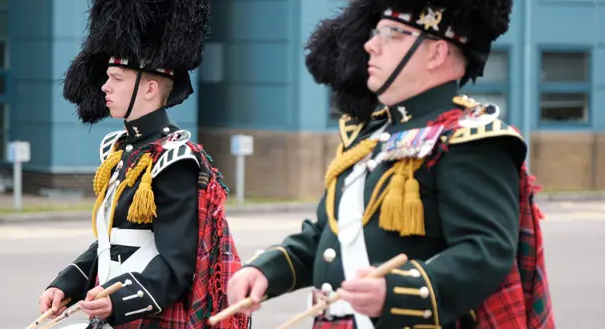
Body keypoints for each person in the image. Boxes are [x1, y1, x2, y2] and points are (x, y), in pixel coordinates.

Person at [226, 0, 555, 328]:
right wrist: (266, 270)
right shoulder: (368, 133)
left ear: (437, 53)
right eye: (376, 32)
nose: (371, 45)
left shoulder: (468, 138)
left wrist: (399, 291)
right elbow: (332, 235)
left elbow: (486, 251)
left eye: (391, 34)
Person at [38, 1, 250, 328]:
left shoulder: (175, 159)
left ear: (150, 88)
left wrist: (117, 303)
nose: (105, 87)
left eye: (116, 78)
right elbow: (117, 243)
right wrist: (68, 281)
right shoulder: (122, 150)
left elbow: (176, 265)